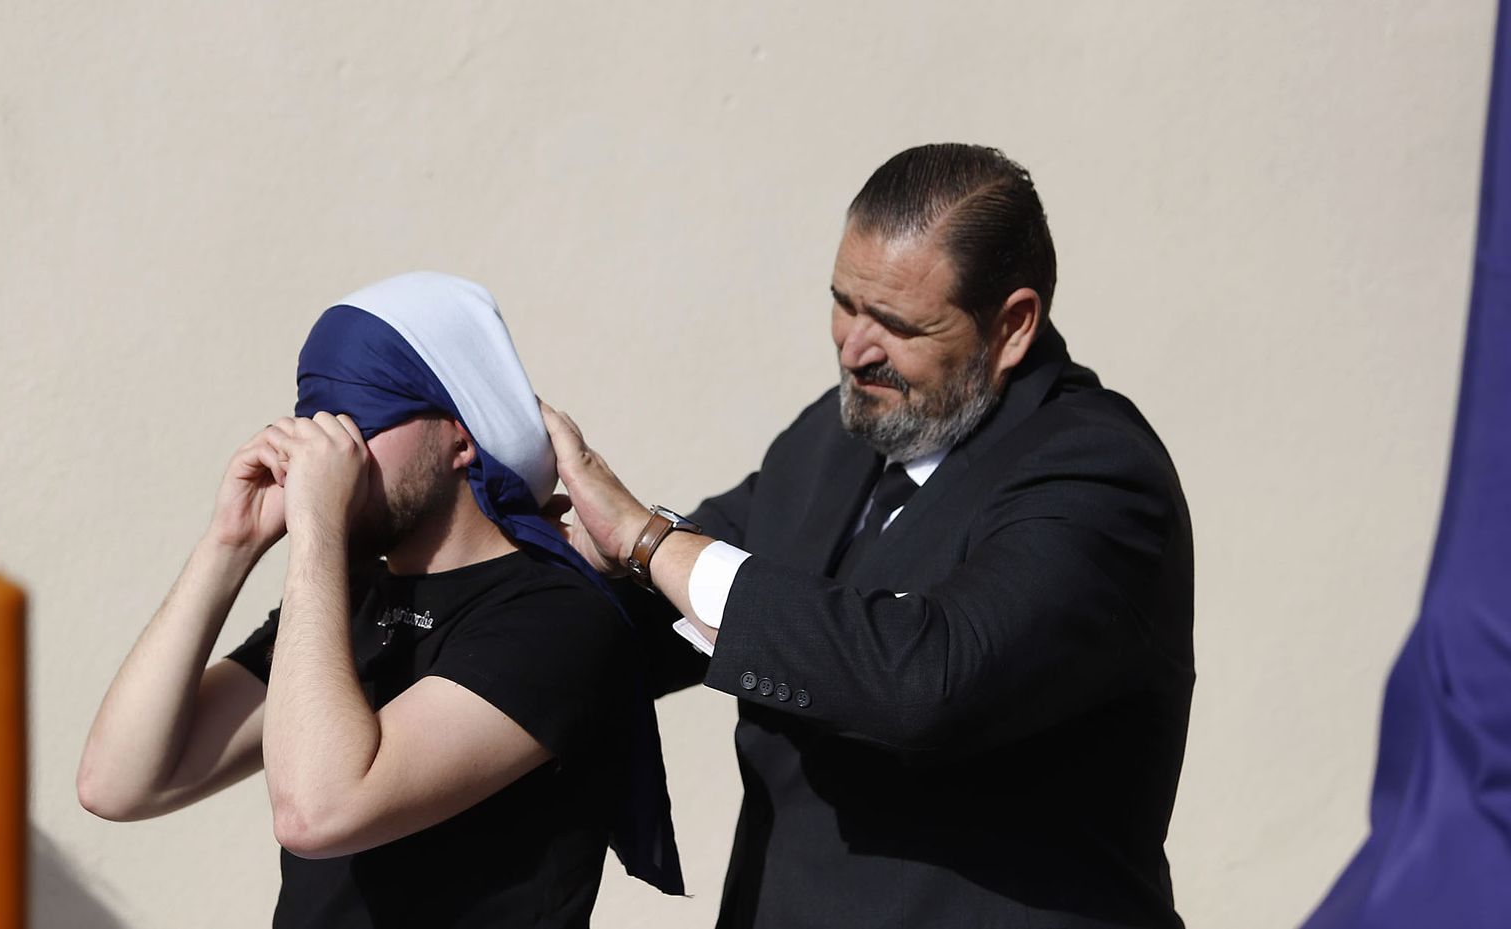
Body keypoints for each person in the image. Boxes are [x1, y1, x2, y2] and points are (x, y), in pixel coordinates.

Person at [541, 144, 1194, 928]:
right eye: (844, 303)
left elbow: (927, 678)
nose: (855, 349)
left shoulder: (1097, 475)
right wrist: (480, 568)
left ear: (1014, 325)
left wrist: (650, 541)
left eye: (897, 322)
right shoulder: (837, 436)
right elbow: (670, 610)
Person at [78, 272, 682, 928]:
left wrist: (317, 532)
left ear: (460, 433)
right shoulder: (352, 599)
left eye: (360, 415)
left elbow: (318, 811)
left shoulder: (557, 616)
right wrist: (229, 543)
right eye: (314, 415)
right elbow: (118, 782)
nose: (331, 445)